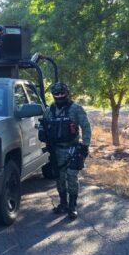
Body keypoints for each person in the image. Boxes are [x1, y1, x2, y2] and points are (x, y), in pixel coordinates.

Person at [43, 82, 91, 220]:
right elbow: (44, 125)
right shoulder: (49, 110)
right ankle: (63, 203)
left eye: (62, 93)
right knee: (59, 178)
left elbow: (86, 127)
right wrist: (42, 133)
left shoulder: (76, 109)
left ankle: (72, 206)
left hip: (73, 149)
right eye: (56, 94)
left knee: (71, 177)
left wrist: (85, 146)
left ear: (67, 93)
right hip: (56, 151)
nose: (59, 96)